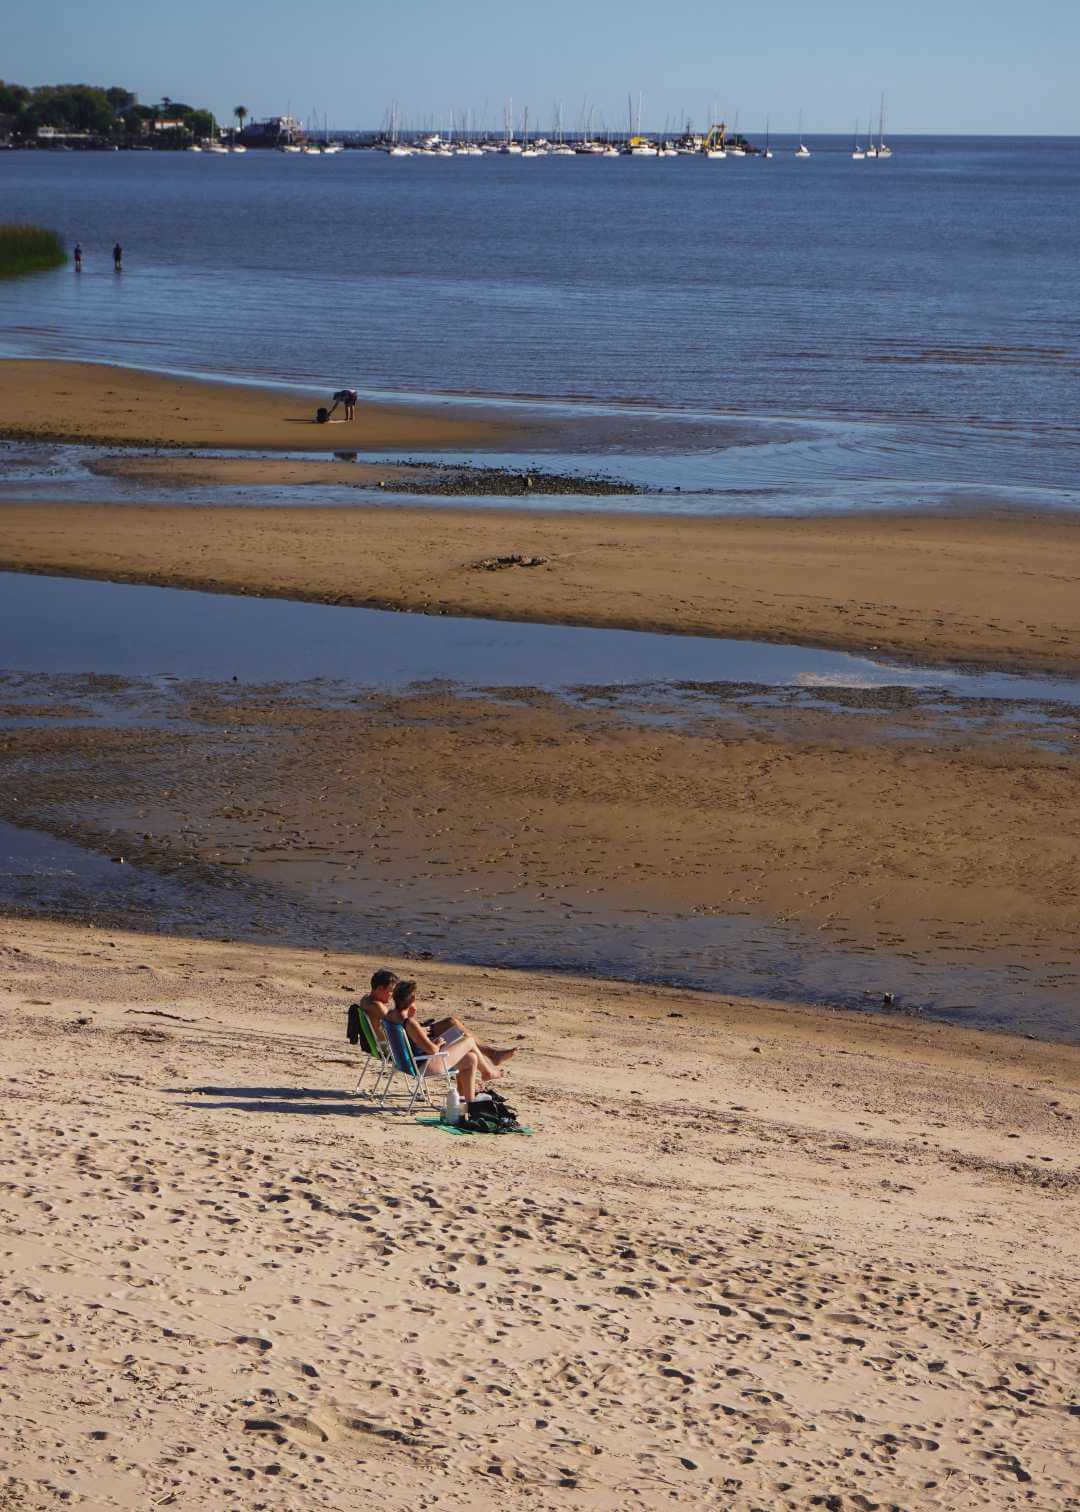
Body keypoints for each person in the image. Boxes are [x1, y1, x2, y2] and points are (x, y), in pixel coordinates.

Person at [358, 968, 514, 1067]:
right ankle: (490, 1057)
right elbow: (397, 1022)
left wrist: (416, 1025)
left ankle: (491, 1056)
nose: (392, 995)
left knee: (452, 1023)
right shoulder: (376, 1006)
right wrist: (416, 1027)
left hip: (399, 1042)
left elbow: (396, 1021)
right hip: (401, 1048)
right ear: (379, 988)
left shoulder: (367, 1000)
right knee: (456, 1029)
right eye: (390, 991)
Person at [386, 979, 505, 1104]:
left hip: (406, 1063)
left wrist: (420, 1029)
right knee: (468, 1040)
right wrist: (438, 1042)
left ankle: (469, 1103)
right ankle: (488, 1072)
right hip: (423, 1066)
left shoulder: (390, 1016)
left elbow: (410, 1039)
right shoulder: (409, 1022)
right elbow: (432, 1050)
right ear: (412, 999)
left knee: (470, 1058)